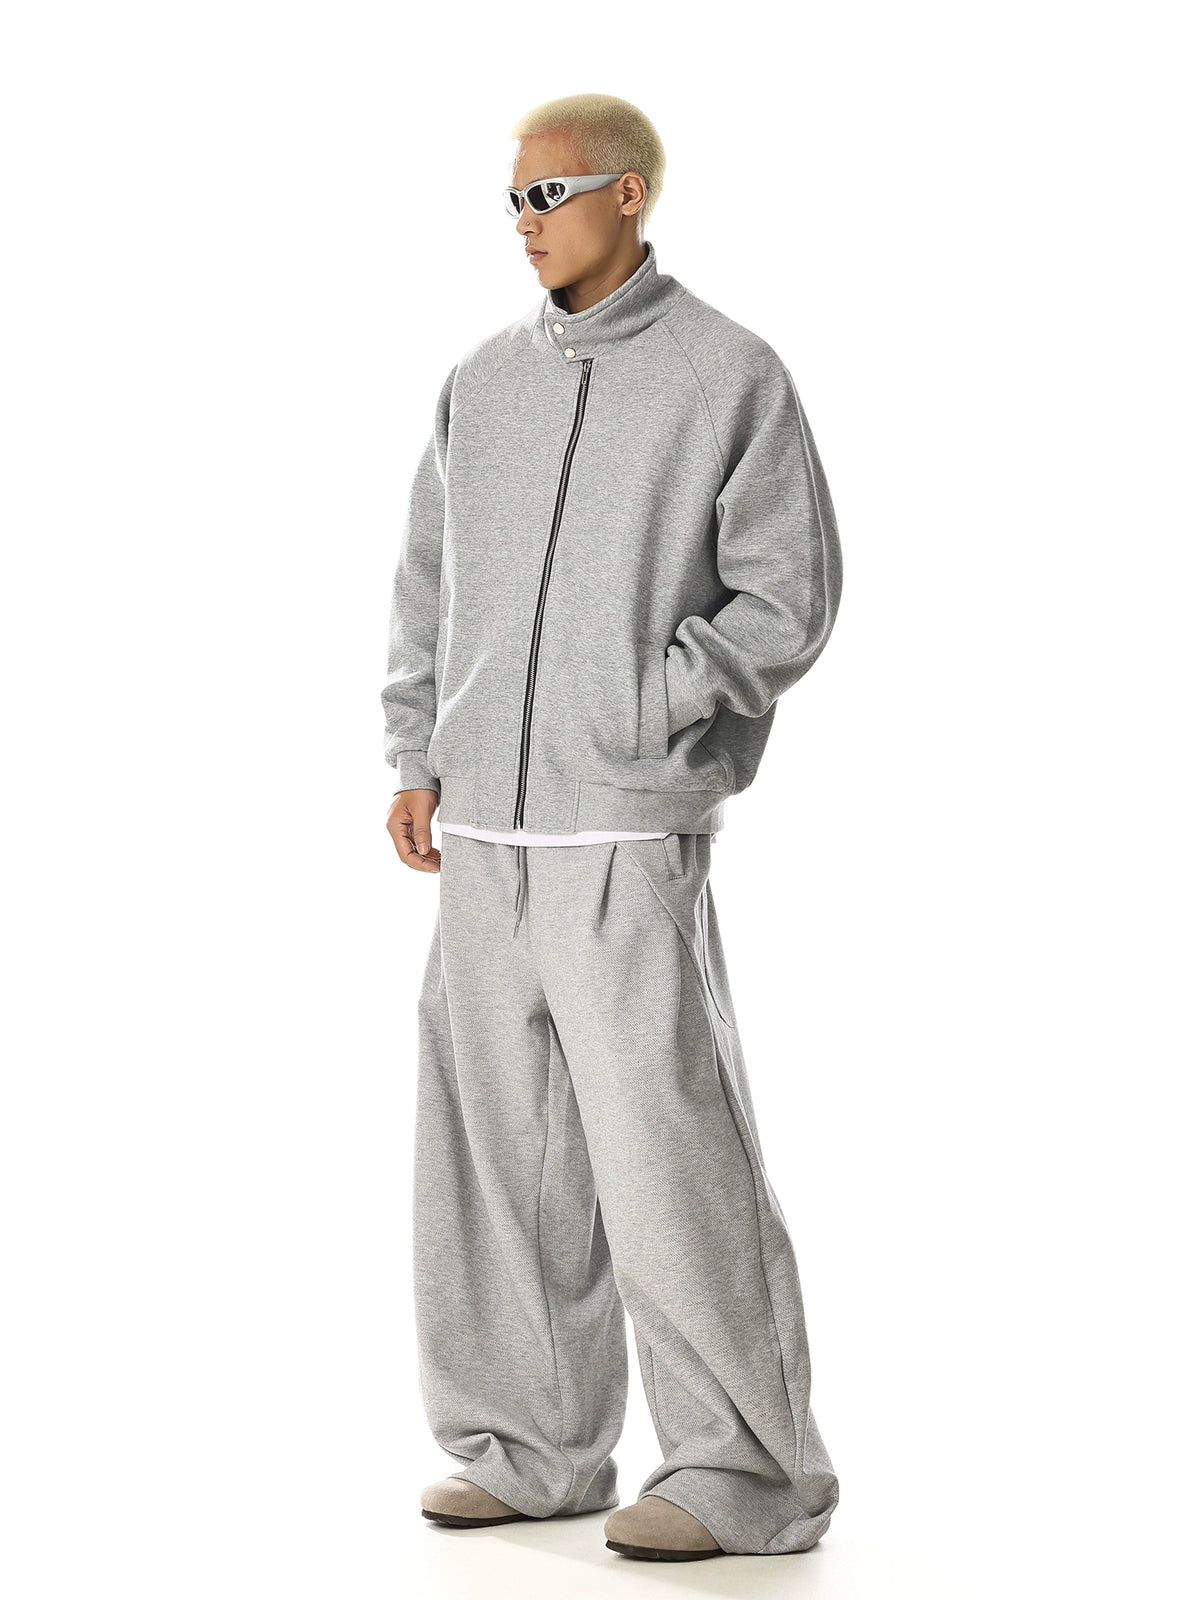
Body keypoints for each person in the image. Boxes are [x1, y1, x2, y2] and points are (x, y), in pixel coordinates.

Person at [382, 91, 843, 1562]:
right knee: (494, 1163)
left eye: (549, 195)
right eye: (511, 200)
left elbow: (788, 593)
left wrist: (658, 703)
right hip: (483, 840)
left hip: (626, 836)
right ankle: (530, 1449)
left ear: (627, 193)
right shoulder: (480, 382)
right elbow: (426, 582)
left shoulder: (728, 374)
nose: (524, 224)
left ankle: (746, 1475)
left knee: (668, 1162)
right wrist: (417, 749)